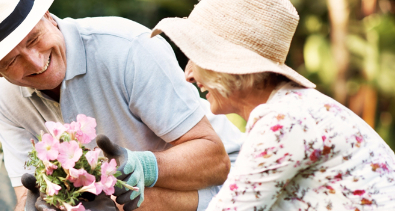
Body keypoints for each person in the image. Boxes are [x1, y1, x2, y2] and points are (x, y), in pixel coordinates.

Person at [0, 0, 244, 210]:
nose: (36, 63)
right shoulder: (3, 97)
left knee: (118, 201)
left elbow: (216, 162)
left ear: (48, 15)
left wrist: (145, 166)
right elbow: (26, 194)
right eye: (11, 61)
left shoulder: (128, 49)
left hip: (230, 189)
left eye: (34, 39)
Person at [149, 0, 395, 210]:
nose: (188, 74)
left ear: (231, 67)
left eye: (197, 56)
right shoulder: (291, 110)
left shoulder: (284, 124)